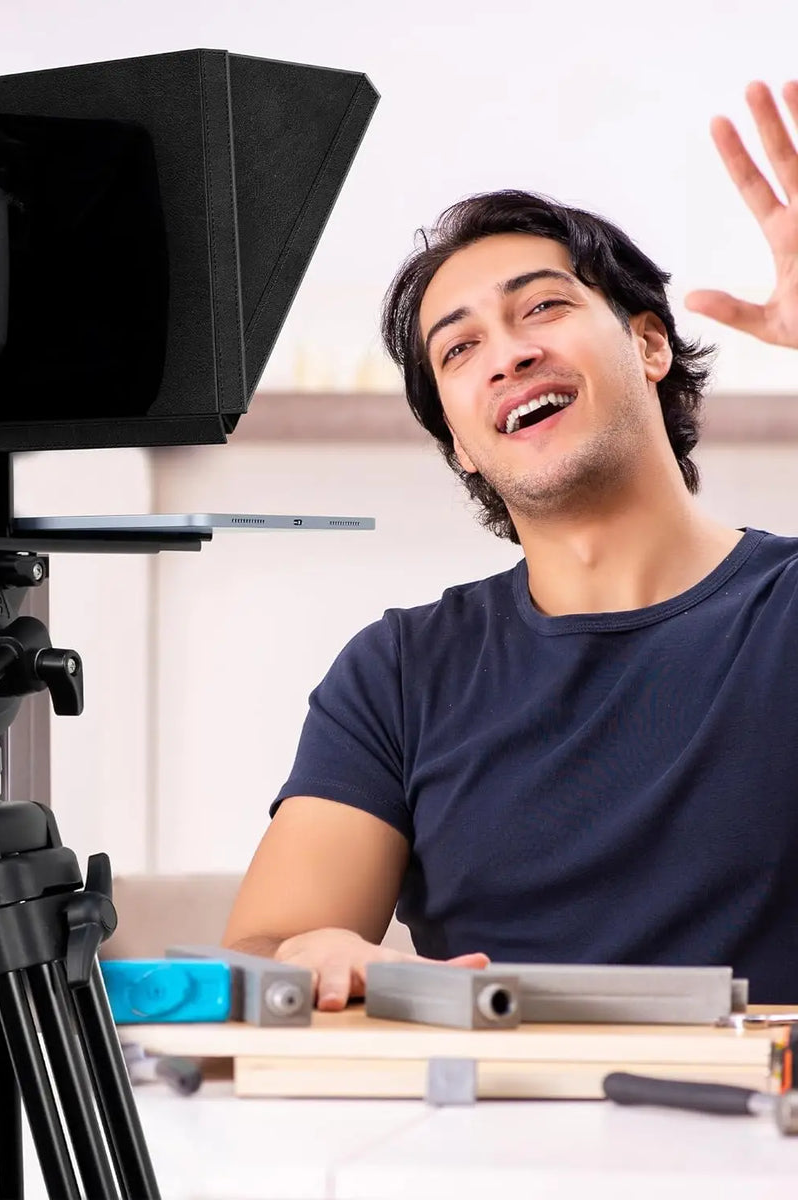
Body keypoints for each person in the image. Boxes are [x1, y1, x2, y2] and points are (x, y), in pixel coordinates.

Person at [223, 79, 798, 1008]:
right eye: (459, 349)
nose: (508, 354)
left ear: (649, 346)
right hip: (491, 1099)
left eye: (543, 308)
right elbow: (259, 954)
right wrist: (318, 954)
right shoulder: (400, 672)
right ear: (459, 441)